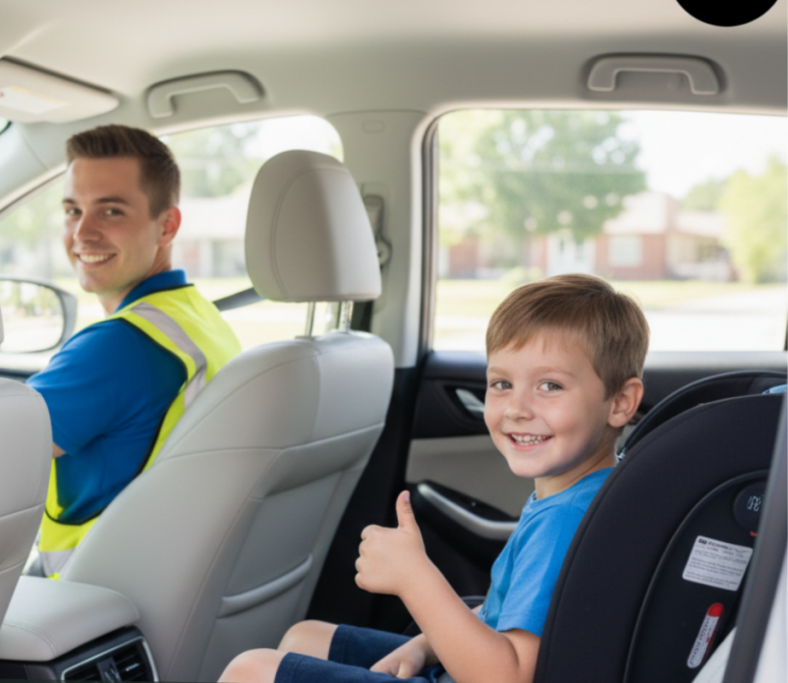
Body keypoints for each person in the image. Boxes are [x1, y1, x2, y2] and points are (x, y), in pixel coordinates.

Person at [219, 274, 648, 683]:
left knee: (249, 672)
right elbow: (504, 610)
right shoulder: (579, 496)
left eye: (550, 386)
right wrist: (424, 647)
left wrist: (415, 578)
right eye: (501, 383)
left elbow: (509, 675)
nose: (517, 407)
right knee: (305, 638)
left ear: (621, 402)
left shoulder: (564, 520)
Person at [27, 125, 242, 579]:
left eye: (110, 211)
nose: (82, 233)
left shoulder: (118, 347)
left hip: (85, 599)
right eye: (72, 210)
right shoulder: (200, 318)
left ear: (167, 225)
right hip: (160, 577)